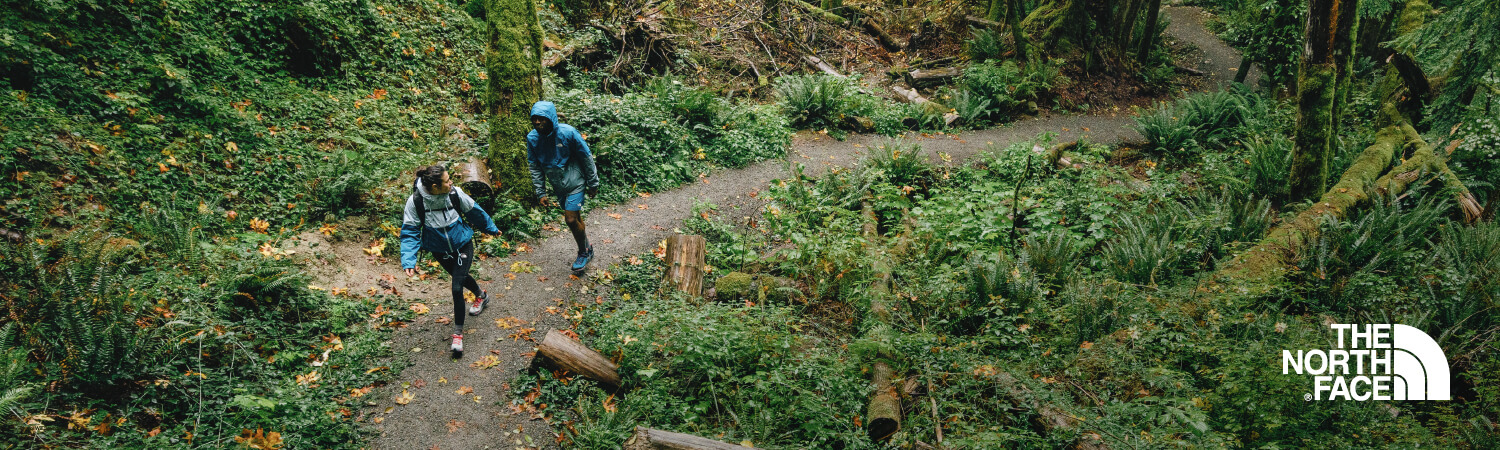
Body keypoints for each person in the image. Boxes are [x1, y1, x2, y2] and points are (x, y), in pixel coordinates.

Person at [399, 164, 502, 354]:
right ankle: (482, 295)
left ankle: (457, 335)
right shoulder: (416, 202)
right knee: (459, 276)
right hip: (439, 249)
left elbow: (474, 211)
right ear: (435, 187)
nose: (451, 182)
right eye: (447, 181)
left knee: (456, 286)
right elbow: (410, 231)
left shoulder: (455, 194)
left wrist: (491, 228)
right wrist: (408, 260)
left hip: (462, 242)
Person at [526, 100, 600, 272]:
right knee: (577, 219)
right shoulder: (532, 139)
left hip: (576, 183)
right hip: (558, 186)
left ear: (551, 118)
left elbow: (586, 157)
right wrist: (541, 192)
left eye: (541, 118)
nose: (537, 122)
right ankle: (588, 249)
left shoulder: (568, 133)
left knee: (571, 219)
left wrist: (593, 182)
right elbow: (534, 166)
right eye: (534, 118)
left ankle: (583, 253)